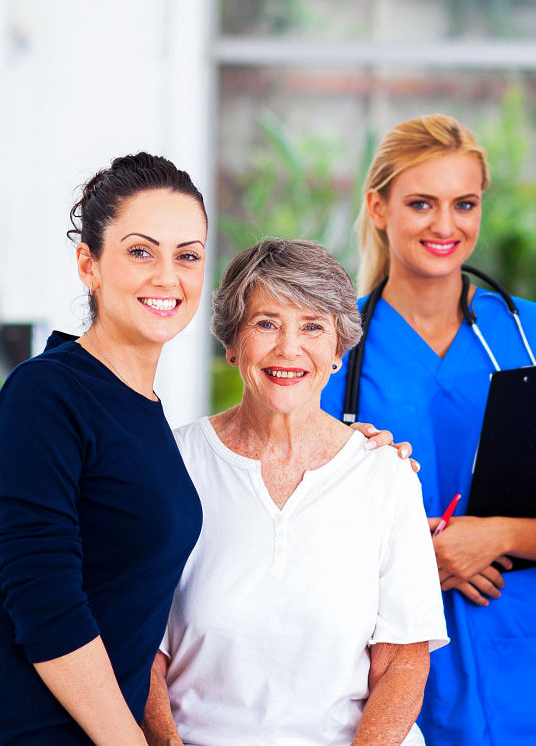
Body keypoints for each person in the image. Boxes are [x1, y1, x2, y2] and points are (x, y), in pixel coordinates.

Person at [316, 113, 536, 745]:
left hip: (522, 667)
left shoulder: (535, 337)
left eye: (464, 204)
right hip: (384, 664)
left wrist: (492, 537)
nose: (445, 225)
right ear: (378, 207)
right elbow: (301, 537)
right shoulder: (328, 348)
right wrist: (420, 561)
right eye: (421, 203)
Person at [0, 153, 209, 746]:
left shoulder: (141, 407)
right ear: (88, 264)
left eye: (188, 255)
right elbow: (46, 601)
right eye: (140, 251)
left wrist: (345, 447)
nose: (167, 277)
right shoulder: (46, 393)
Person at [146, 237, 448, 746]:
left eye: (312, 327)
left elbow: (402, 660)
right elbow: (142, 651)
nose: (289, 349)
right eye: (266, 324)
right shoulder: (171, 465)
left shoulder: (386, 475)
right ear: (232, 342)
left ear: (338, 350)